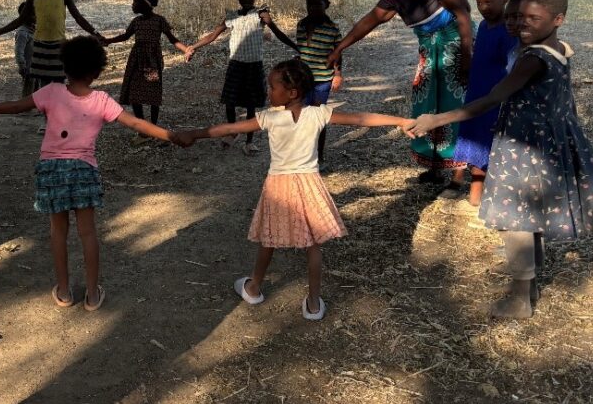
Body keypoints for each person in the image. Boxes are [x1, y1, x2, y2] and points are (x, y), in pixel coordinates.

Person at [413, 0, 593, 319]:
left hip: (523, 149)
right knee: (530, 216)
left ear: (558, 19)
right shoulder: (559, 49)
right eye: (520, 17)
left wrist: (436, 119)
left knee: (516, 219)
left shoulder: (533, 59)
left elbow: (493, 98)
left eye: (533, 18)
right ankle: (529, 284)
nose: (523, 24)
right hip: (543, 143)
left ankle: (520, 298)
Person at [173, 60, 416, 320]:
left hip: (279, 187)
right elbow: (360, 118)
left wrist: (194, 134)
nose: (268, 92)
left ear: (292, 92)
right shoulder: (318, 114)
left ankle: (254, 288)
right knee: (312, 245)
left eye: (272, 87)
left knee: (269, 238)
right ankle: (313, 304)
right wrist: (400, 120)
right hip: (309, 184)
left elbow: (231, 128)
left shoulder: (270, 117)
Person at [0, 36, 174, 310]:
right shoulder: (101, 100)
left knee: (58, 232)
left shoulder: (51, 92)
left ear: (64, 67)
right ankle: (92, 294)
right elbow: (136, 123)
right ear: (97, 72)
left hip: (51, 169)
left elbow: (16, 107)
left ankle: (64, 292)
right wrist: (171, 135)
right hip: (83, 170)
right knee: (88, 234)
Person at [327, 0, 473, 191]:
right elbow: (369, 21)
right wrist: (340, 47)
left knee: (454, 104)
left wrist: (467, 55)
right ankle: (435, 167)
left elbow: (464, 12)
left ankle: (458, 174)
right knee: (427, 103)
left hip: (456, 44)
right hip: (429, 51)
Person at [185, 0, 297, 155]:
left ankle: (249, 141)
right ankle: (232, 131)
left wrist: (295, 46)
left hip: (253, 66)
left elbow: (277, 32)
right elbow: (213, 35)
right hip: (236, 65)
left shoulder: (261, 15)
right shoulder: (232, 16)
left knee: (251, 105)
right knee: (230, 102)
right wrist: (193, 47)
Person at [449, 0, 517, 207]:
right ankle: (467, 188)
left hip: (493, 97)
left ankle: (479, 195)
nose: (483, 7)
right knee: (471, 139)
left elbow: (512, 68)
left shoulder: (508, 32)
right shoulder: (484, 27)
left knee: (487, 144)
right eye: (479, 3)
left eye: (488, 2)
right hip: (476, 92)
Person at [0, 0, 104, 93]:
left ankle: (56, 106)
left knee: (59, 84)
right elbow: (20, 20)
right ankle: (46, 107)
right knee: (44, 87)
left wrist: (95, 33)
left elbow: (79, 18)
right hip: (40, 47)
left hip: (59, 47)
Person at [103, 0, 190, 141]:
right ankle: (143, 130)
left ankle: (153, 130)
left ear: (145, 4)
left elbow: (172, 39)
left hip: (152, 63)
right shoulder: (136, 22)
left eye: (135, 2)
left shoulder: (159, 21)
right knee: (135, 94)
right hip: (136, 62)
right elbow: (125, 36)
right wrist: (108, 41)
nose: (132, 5)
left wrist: (186, 50)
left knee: (153, 94)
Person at [295, 0, 344, 164]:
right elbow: (301, 50)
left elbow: (338, 53)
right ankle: (304, 153)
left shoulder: (332, 28)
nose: (313, 8)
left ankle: (319, 156)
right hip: (303, 79)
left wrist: (337, 74)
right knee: (302, 116)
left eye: (318, 4)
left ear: (327, 5)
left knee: (318, 117)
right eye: (310, 4)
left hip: (322, 80)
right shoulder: (301, 25)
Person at [14, 0, 36, 97]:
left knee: (37, 90)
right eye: (33, 14)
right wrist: (22, 66)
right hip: (28, 68)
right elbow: (19, 51)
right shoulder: (22, 33)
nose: (36, 16)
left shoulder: (34, 30)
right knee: (28, 91)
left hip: (36, 67)